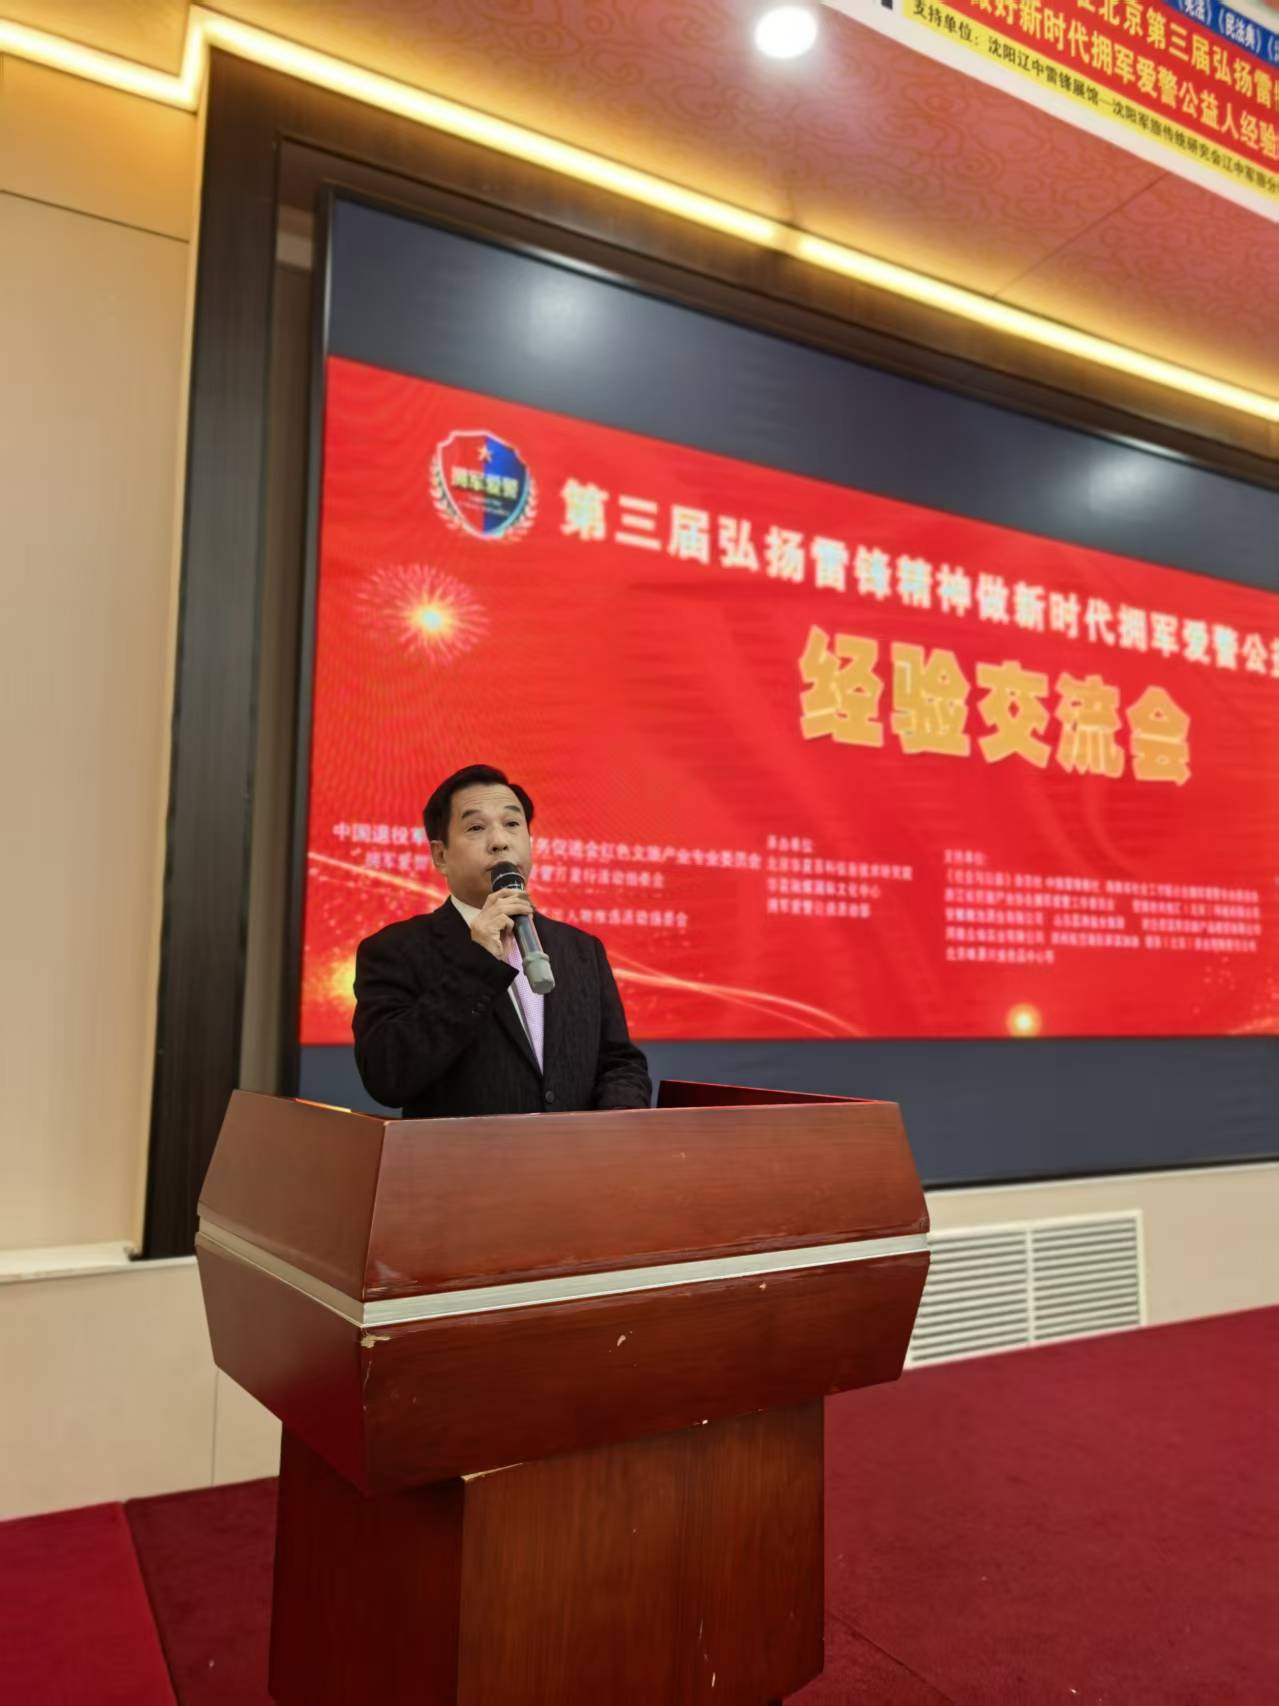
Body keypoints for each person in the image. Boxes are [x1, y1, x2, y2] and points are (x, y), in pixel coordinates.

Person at [352, 764, 652, 1117]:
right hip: (467, 1154)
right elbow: (387, 1076)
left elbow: (619, 1061)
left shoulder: (581, 950)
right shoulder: (394, 950)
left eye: (512, 824)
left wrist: (618, 1118)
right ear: (441, 856)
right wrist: (477, 961)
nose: (500, 841)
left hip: (578, 1152)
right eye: (476, 827)